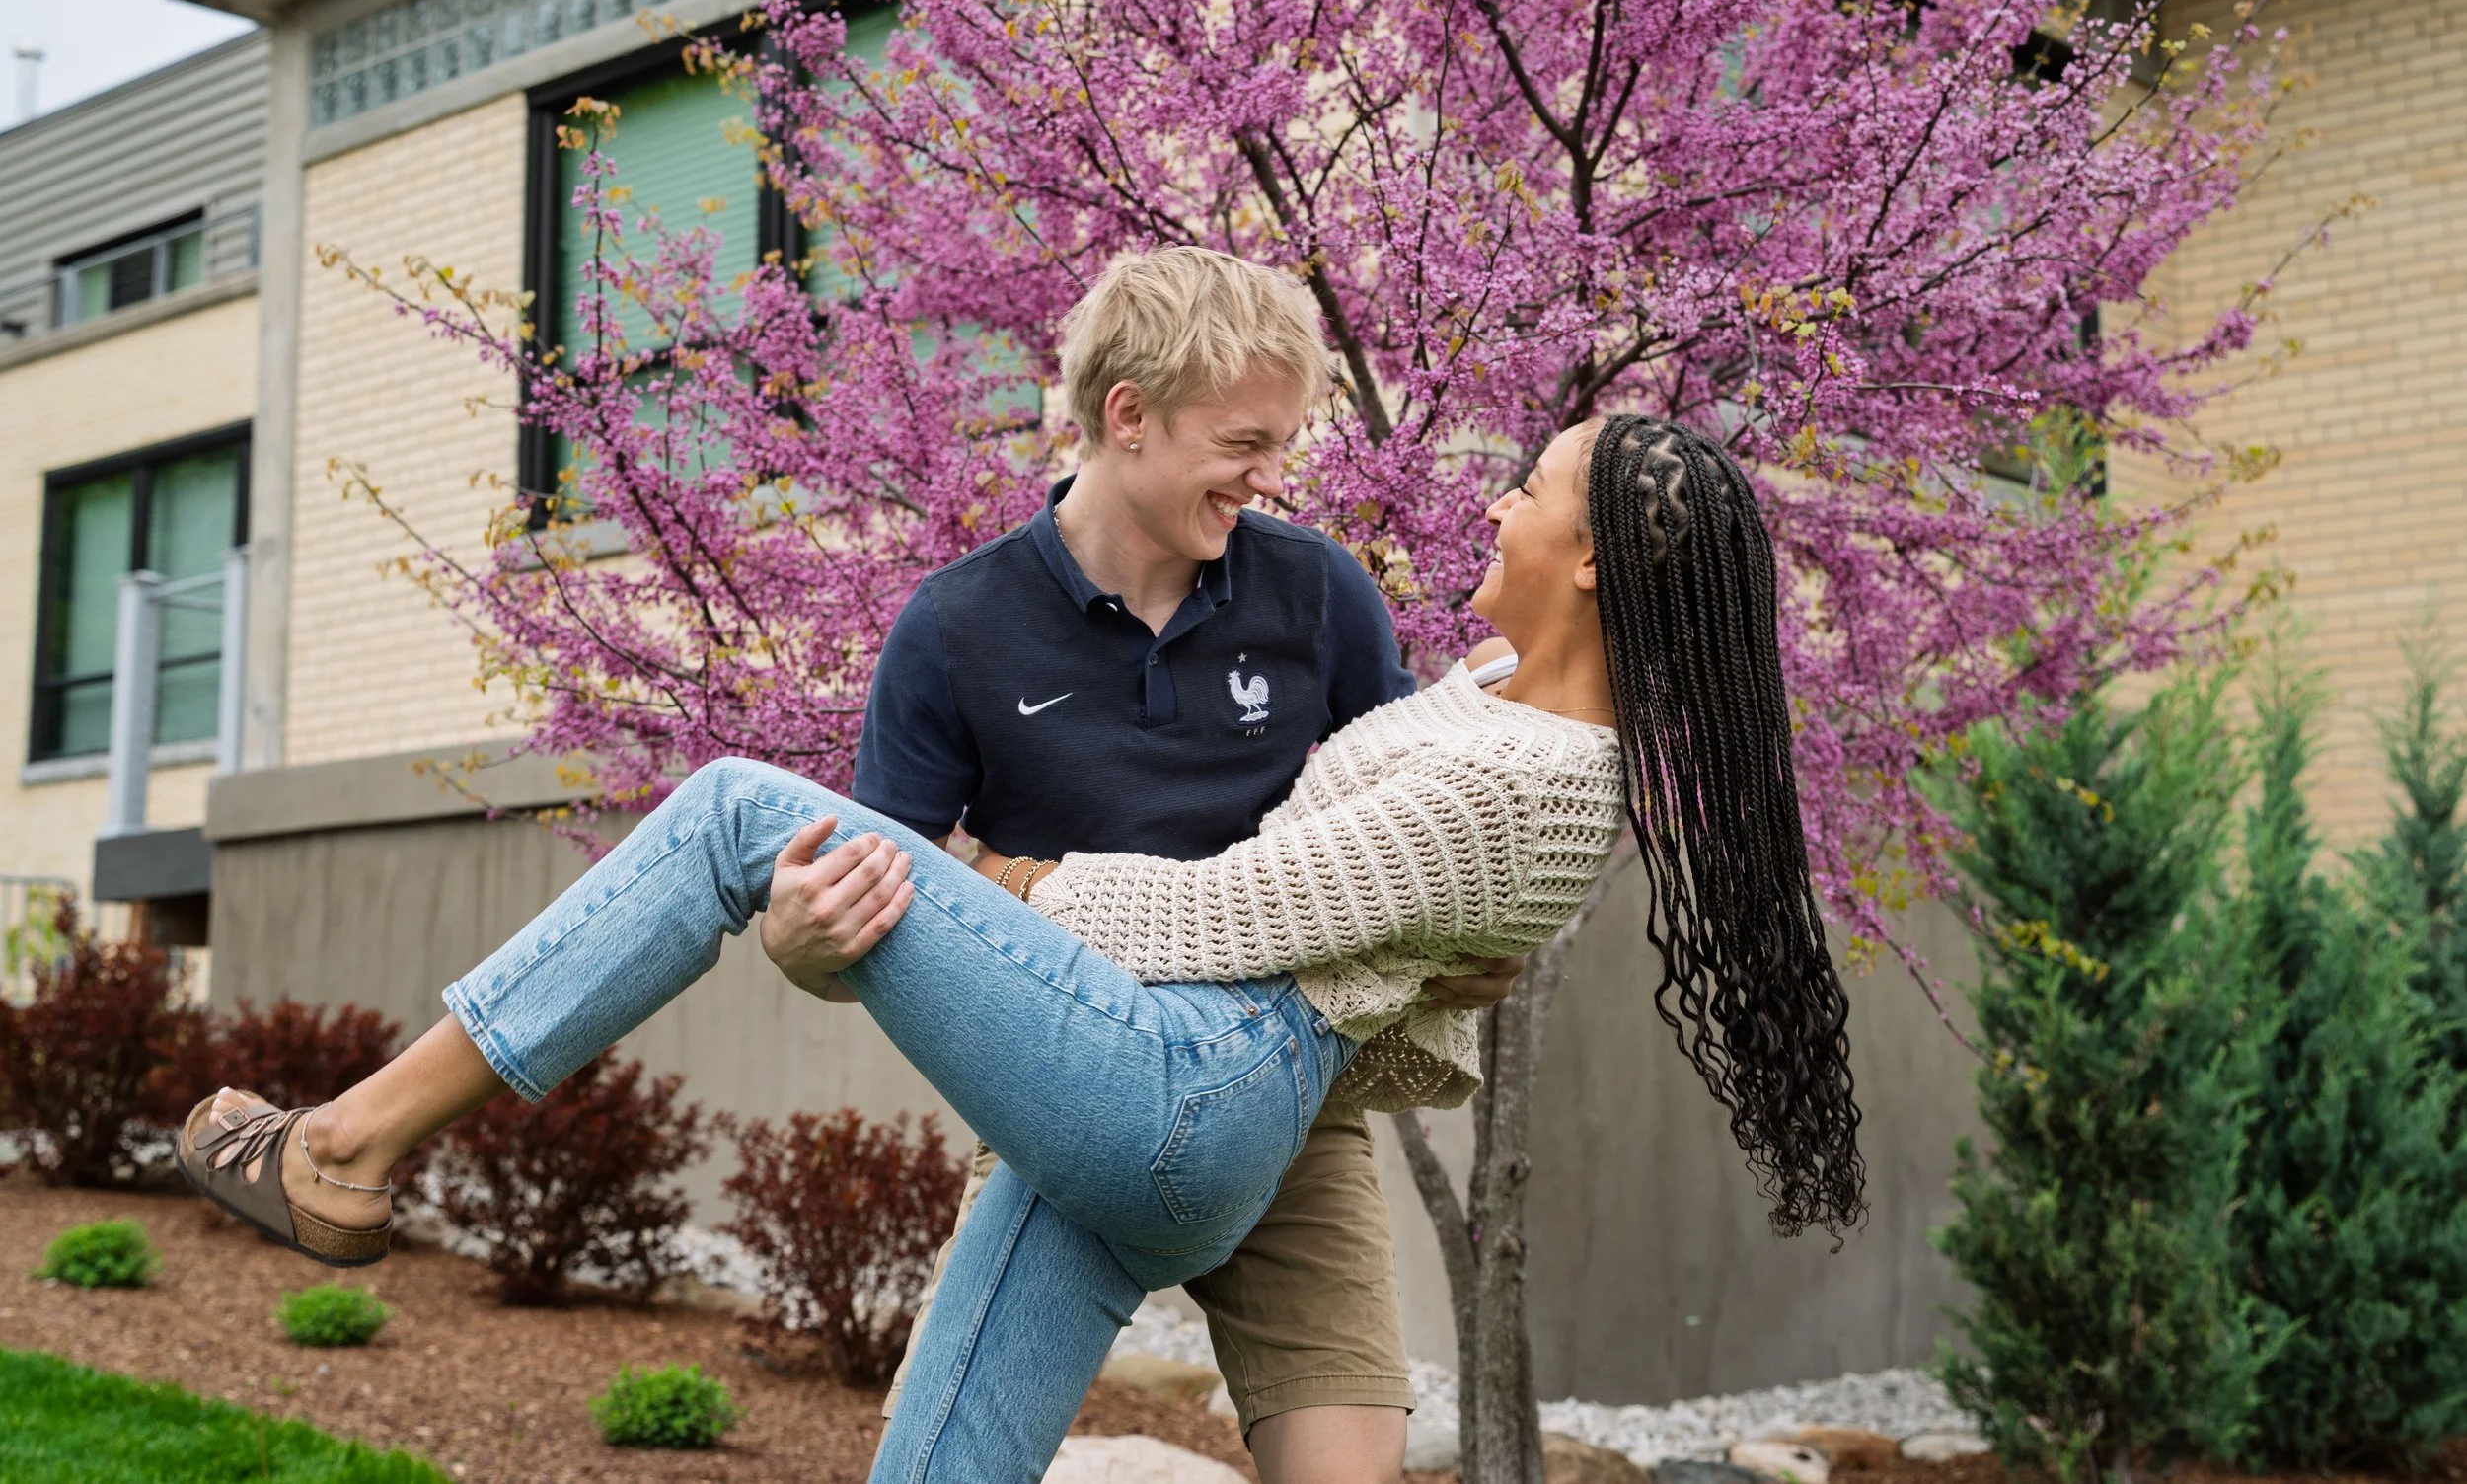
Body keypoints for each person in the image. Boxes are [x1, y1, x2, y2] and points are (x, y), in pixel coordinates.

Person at [177, 410, 1866, 1484]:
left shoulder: (1535, 778)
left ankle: (343, 1146)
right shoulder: (1504, 704)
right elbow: (1381, 903)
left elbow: (1220, 917)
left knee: (726, 808)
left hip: (1196, 1085)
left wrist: (990, 869)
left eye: (1532, 485)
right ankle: (340, 1149)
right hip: (1163, 1100)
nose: (1491, 500)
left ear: (1588, 560)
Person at [840, 248, 1512, 1484]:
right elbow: (881, 901)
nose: (1271, 476)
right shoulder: (953, 627)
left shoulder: (1317, 593)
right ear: (1127, 415)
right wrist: (807, 943)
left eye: (1282, 443)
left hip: (1293, 1099)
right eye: (1245, 441)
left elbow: (1424, 820)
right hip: (1066, 1102)